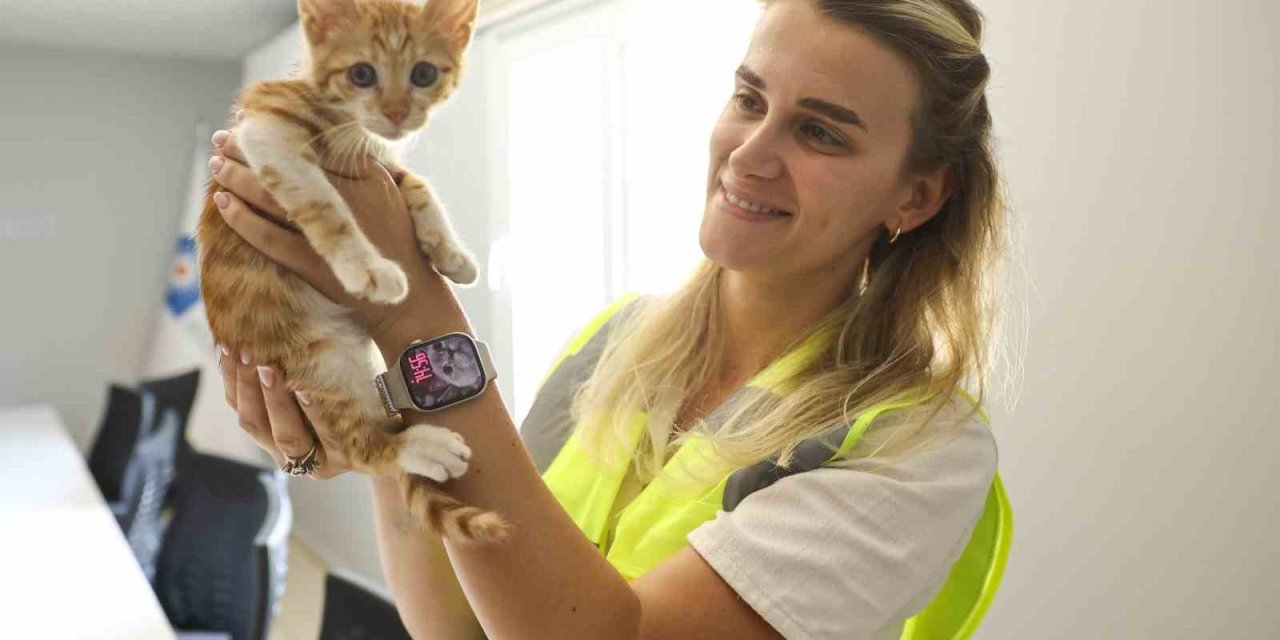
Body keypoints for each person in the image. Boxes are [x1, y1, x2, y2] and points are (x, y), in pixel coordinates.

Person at [208, 0, 1011, 637]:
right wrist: (380, 447)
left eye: (820, 132)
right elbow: (461, 623)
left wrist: (412, 311)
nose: (748, 154)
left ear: (916, 195)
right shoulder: (615, 340)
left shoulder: (918, 447)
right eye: (749, 98)